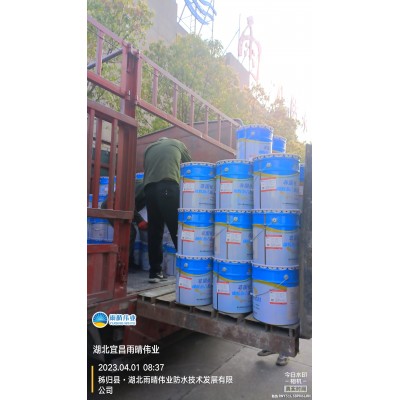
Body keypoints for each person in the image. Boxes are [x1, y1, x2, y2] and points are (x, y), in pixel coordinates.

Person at [143, 137, 192, 283]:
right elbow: (191, 166)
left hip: (149, 190)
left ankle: (155, 272)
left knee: (154, 231)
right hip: (168, 187)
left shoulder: (149, 148)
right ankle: (187, 271)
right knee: (177, 228)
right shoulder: (178, 143)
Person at [101, 179, 148, 271]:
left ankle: (127, 261)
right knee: (129, 232)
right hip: (112, 207)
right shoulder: (143, 187)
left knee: (130, 232)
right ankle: (122, 264)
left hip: (121, 208)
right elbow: (129, 203)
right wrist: (140, 221)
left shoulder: (145, 187)